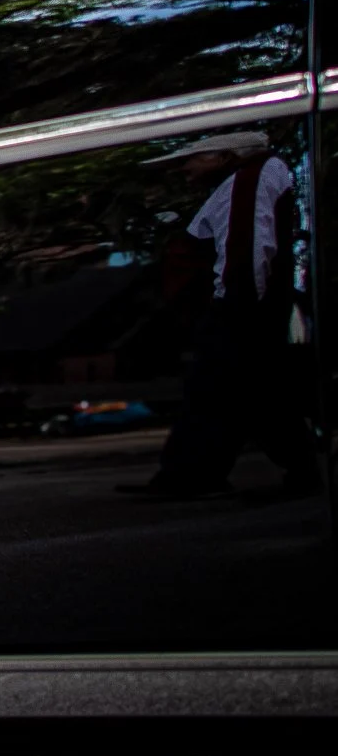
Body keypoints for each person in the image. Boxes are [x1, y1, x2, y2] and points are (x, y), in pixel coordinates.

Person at [123, 131, 320, 499]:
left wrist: (233, 305)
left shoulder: (251, 180)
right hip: (240, 306)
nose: (186, 168)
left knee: (219, 390)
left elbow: (247, 247)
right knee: (250, 392)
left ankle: (190, 475)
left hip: (239, 307)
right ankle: (202, 473)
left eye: (195, 158)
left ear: (224, 156)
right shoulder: (242, 181)